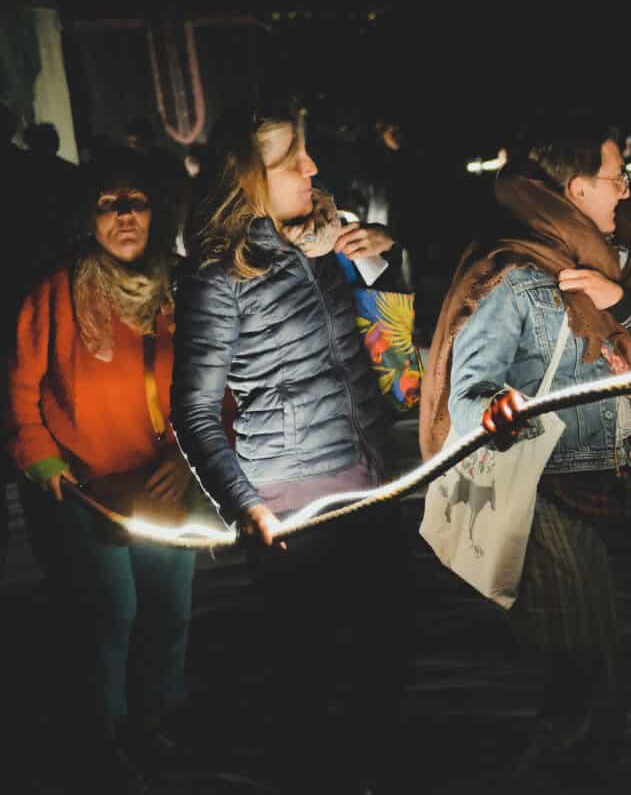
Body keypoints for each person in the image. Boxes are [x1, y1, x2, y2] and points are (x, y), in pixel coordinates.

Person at [419, 117, 631, 784]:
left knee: (598, 679)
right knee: (584, 687)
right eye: (616, 177)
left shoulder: (610, 265)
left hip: (601, 489)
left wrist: (624, 305)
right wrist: (494, 412)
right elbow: (467, 390)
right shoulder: (514, 274)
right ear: (576, 189)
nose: (626, 190)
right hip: (541, 496)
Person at [171, 99, 406, 794]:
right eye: (291, 160)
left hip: (370, 480)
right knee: (308, 675)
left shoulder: (326, 243)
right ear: (248, 176)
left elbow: (395, 359)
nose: (312, 167)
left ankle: (376, 772)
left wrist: (381, 266)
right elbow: (193, 411)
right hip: (293, 504)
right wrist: (243, 505)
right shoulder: (220, 276)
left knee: (385, 659)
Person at [7, 151, 198, 794]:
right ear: (87, 217)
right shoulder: (57, 292)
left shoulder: (179, 289)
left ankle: (156, 721)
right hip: (88, 489)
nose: (124, 215)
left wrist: (188, 458)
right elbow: (22, 389)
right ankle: (106, 736)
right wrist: (44, 459)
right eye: (108, 204)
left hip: (166, 481)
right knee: (111, 617)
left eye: (135, 202)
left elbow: (212, 386)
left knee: (168, 613)